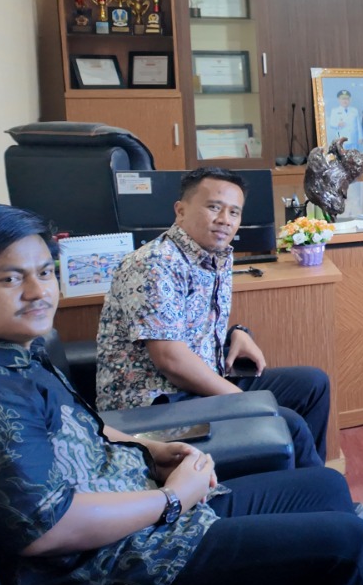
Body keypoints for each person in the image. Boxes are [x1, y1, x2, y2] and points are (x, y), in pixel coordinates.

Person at [0, 204, 363, 585]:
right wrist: (173, 500)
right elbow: (49, 530)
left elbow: (81, 426)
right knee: (345, 542)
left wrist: (148, 448)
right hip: (113, 576)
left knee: (323, 488)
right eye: (10, 279)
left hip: (140, 522)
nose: (39, 292)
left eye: (44, 272)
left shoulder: (11, 353)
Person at [95, 169, 331, 469]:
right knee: (287, 422)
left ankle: (309, 480)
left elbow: (191, 324)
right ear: (180, 211)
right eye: (214, 207)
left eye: (234, 212)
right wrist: (245, 402)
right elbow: (171, 360)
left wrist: (237, 333)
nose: (225, 220)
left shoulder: (212, 256)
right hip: (156, 403)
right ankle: (310, 490)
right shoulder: (154, 263)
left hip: (199, 382)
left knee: (313, 384)